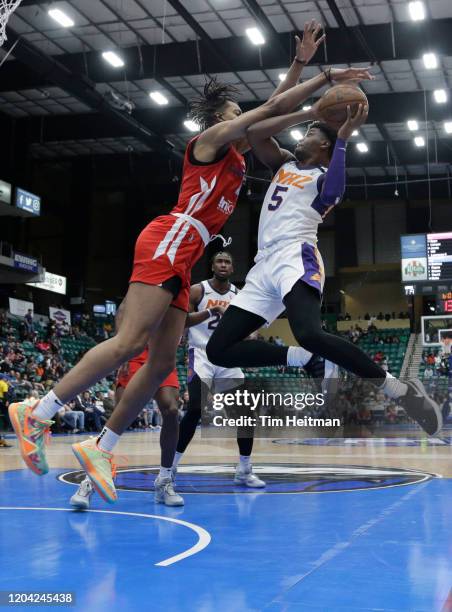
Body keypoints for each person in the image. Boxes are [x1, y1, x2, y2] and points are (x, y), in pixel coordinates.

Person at [9, 24, 372, 503]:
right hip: (170, 238)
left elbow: (270, 111)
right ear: (220, 119)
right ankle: (38, 410)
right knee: (130, 342)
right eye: (235, 113)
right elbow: (271, 112)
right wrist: (322, 85)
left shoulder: (236, 152)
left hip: (186, 255)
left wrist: (303, 66)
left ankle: (103, 446)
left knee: (160, 365)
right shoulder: (209, 141)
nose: (242, 117)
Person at [205, 105, 442, 438]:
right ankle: (301, 358)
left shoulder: (322, 177)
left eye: (311, 134)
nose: (303, 137)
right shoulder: (284, 163)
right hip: (263, 267)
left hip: (295, 255)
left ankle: (401, 392)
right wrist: (310, 113)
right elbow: (255, 133)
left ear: (325, 146)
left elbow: (334, 192)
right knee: (218, 350)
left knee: (310, 332)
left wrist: (343, 136)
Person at [173, 251, 266, 488]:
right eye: (219, 261)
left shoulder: (239, 295)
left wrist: (250, 334)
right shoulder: (198, 290)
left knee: (246, 414)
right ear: (212, 266)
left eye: (227, 262)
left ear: (233, 269)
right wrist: (210, 311)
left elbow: (250, 326)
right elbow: (181, 321)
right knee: (194, 409)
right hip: (201, 354)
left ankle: (244, 470)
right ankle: (170, 467)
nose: (223, 265)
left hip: (227, 357)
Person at [70, 345, 182, 509]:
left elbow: (182, 322)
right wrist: (124, 350)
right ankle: (90, 480)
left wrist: (208, 317)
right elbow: (125, 319)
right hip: (137, 351)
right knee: (123, 414)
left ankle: (164, 480)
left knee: (172, 410)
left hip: (164, 354)